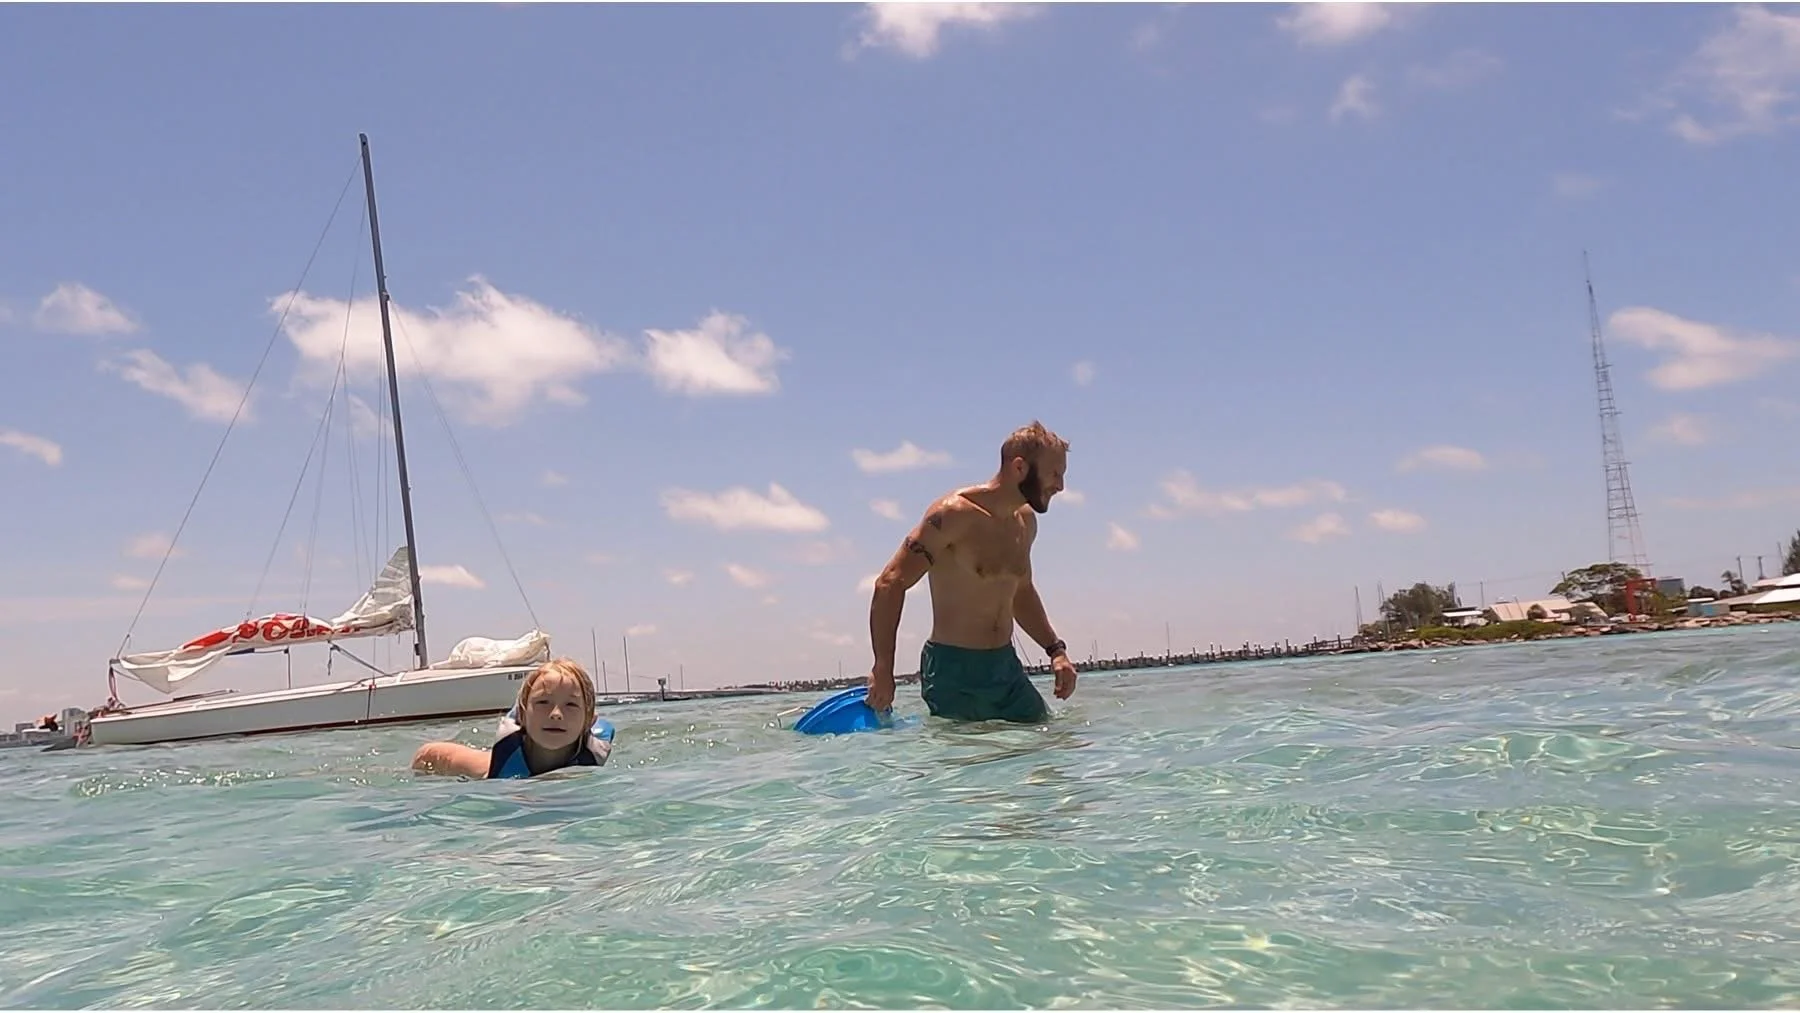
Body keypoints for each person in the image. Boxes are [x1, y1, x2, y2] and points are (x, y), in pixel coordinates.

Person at [865, 420, 1078, 724]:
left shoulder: (1025, 523)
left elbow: (1021, 591)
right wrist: (883, 668)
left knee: (1052, 748)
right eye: (1054, 474)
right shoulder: (952, 515)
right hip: (955, 671)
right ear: (1019, 468)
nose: (1060, 486)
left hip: (1005, 668)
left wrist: (1055, 650)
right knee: (974, 764)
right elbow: (890, 583)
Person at [411, 657, 614, 779]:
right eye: (543, 703)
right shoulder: (494, 766)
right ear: (523, 715)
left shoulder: (593, 756)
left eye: (571, 705)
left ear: (588, 721)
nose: (556, 714)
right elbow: (427, 754)